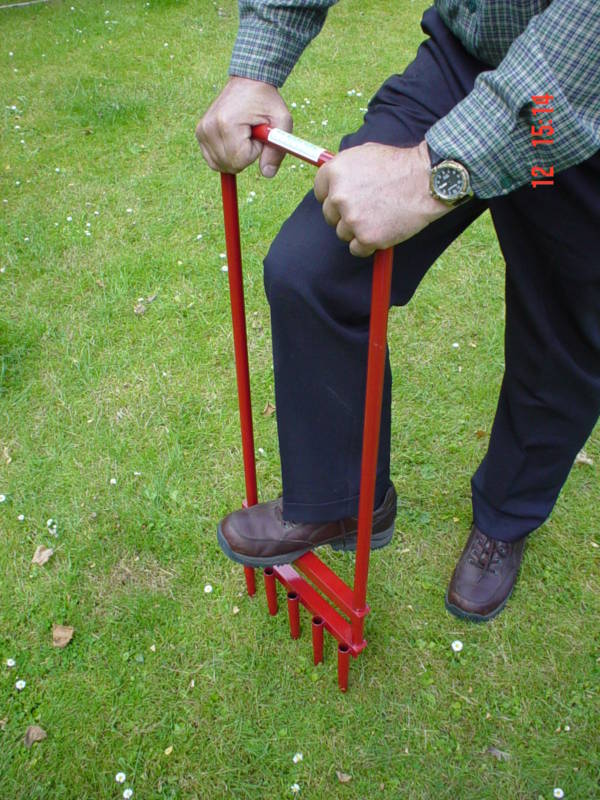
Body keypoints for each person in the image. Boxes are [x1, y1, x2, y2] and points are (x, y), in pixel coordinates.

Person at [196, 1, 600, 622]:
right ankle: (344, 499)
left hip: (571, 104)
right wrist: (258, 59)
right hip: (470, 55)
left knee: (562, 323)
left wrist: (430, 173)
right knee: (314, 270)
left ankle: (506, 517)